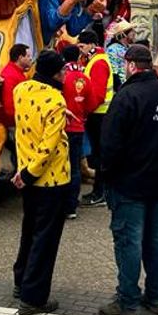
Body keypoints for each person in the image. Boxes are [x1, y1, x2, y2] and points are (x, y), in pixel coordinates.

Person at [97, 44, 158, 315]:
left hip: (130, 185)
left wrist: (107, 176)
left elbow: (110, 145)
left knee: (129, 242)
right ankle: (157, 296)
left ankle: (127, 302)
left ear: (131, 65)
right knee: (157, 241)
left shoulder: (127, 97)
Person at [11, 50, 72, 315]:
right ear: (56, 74)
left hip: (25, 172)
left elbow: (30, 124)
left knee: (29, 229)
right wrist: (31, 173)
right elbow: (48, 146)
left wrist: (24, 173)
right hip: (50, 179)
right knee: (45, 239)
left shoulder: (21, 90)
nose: (66, 74)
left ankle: (21, 280)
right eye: (63, 70)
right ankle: (33, 297)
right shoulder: (56, 100)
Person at [79, 30, 115, 207]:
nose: (80, 50)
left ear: (91, 44)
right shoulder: (95, 60)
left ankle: (100, 193)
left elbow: (98, 94)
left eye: (82, 46)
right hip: (100, 113)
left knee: (99, 155)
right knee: (99, 154)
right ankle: (100, 191)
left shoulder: (98, 63)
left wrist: (85, 111)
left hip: (99, 114)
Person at [60, 45, 94, 220]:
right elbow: (91, 103)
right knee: (75, 168)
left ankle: (60, 204)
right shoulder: (85, 77)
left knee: (60, 167)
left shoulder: (61, 77)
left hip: (61, 129)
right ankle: (71, 206)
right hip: (79, 128)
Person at [0, 43, 33, 130]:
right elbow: (9, 104)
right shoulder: (10, 75)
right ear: (20, 58)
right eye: (28, 56)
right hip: (15, 123)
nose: (31, 59)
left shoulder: (17, 72)